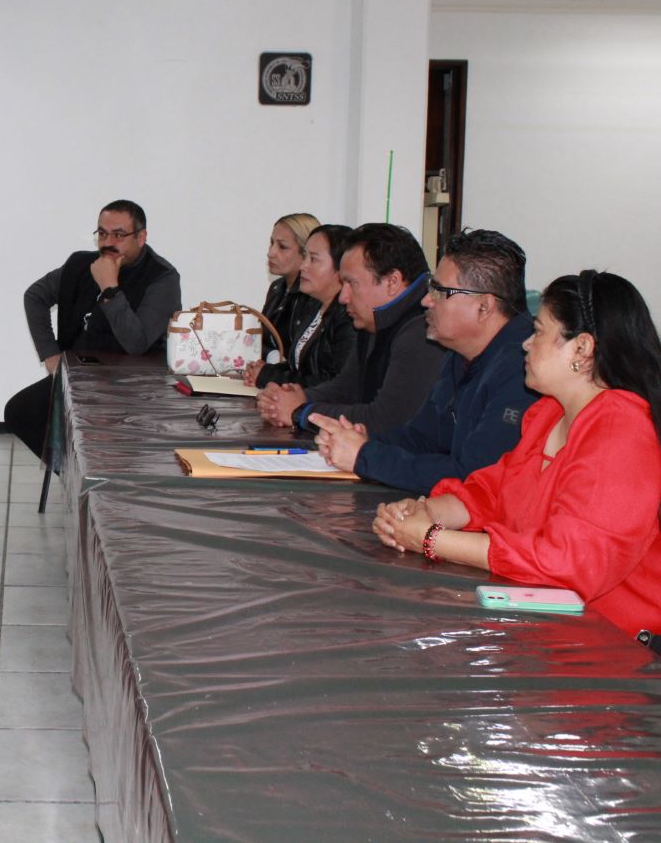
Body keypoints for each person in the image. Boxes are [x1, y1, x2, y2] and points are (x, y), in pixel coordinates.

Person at [371, 270, 661, 637]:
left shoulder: (621, 431)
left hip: (617, 644)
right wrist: (424, 512)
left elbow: (567, 563)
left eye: (538, 332)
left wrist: (431, 538)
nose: (525, 344)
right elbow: (494, 493)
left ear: (582, 349)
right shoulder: (549, 415)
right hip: (549, 624)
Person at [311, 230, 539, 493]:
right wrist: (364, 441)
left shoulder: (524, 367)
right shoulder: (459, 354)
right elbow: (422, 437)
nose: (426, 300)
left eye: (440, 291)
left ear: (484, 307)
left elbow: (474, 477)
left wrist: (366, 457)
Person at [3, 199, 181, 459]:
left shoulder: (162, 278)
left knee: (104, 426)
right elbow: (35, 296)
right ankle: (74, 471)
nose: (108, 242)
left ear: (141, 237)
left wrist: (109, 288)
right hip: (82, 375)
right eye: (103, 234)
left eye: (119, 235)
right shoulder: (81, 265)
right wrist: (49, 353)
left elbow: (136, 343)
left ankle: (97, 470)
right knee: (20, 411)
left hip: (133, 384)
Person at [258, 223, 444, 435]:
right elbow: (348, 388)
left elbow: (385, 420)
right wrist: (299, 398)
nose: (343, 297)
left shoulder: (423, 330)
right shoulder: (374, 317)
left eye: (351, 283)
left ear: (392, 282)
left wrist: (301, 412)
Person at [246, 223, 354, 389]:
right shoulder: (314, 307)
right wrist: (265, 370)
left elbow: (335, 385)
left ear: (341, 267)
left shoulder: (349, 317)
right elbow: (298, 368)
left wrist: (268, 376)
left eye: (313, 259)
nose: (303, 266)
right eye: (304, 257)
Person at [246, 212, 320, 385]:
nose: (270, 253)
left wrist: (270, 370)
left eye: (282, 247)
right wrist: (269, 359)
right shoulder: (277, 288)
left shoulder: (315, 296)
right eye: (271, 243)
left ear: (306, 253)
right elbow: (262, 340)